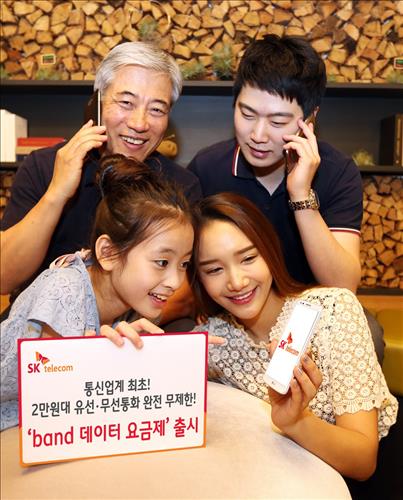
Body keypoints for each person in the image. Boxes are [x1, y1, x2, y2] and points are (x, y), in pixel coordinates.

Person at [187, 34, 385, 360]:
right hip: (232, 308)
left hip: (310, 310)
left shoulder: (337, 171)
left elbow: (343, 286)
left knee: (368, 334)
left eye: (278, 121)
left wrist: (301, 194)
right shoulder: (208, 168)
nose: (258, 135)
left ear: (310, 119)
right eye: (247, 114)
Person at [187, 193, 398, 481]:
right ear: (198, 278)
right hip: (273, 478)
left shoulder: (333, 310)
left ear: (269, 252)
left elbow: (362, 461)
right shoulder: (211, 340)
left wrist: (297, 421)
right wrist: (132, 345)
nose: (237, 282)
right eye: (214, 270)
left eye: (248, 258)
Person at [1, 154, 195, 431]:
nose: (176, 281)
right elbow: (56, 408)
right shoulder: (64, 291)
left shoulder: (132, 296)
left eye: (184, 264)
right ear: (108, 253)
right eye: (162, 262)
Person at [0, 41, 201, 300]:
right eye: (126, 102)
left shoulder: (181, 185)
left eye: (156, 109)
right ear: (97, 104)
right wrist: (57, 193)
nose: (139, 123)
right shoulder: (44, 166)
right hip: (42, 320)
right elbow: (4, 277)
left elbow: (185, 289)